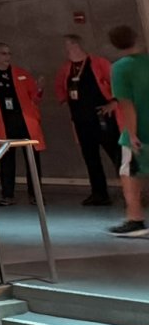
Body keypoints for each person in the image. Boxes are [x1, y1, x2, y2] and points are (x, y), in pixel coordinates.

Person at [0, 42, 46, 206]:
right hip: (5, 124)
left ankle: (35, 194)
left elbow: (34, 97)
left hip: (25, 122)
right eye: (3, 53)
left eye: (9, 53)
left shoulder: (21, 73)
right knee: (6, 160)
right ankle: (7, 195)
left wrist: (40, 89)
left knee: (32, 159)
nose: (7, 57)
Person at [55, 34, 119, 207]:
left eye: (67, 45)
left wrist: (113, 102)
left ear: (75, 45)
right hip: (81, 121)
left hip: (102, 118)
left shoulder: (98, 63)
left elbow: (117, 82)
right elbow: (60, 87)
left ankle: (134, 192)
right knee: (91, 158)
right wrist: (64, 100)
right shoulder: (66, 68)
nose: (65, 50)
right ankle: (99, 194)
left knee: (117, 154)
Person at [107, 24, 149, 237]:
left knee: (129, 173)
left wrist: (131, 133)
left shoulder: (120, 68)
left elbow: (126, 103)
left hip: (142, 128)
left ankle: (135, 219)